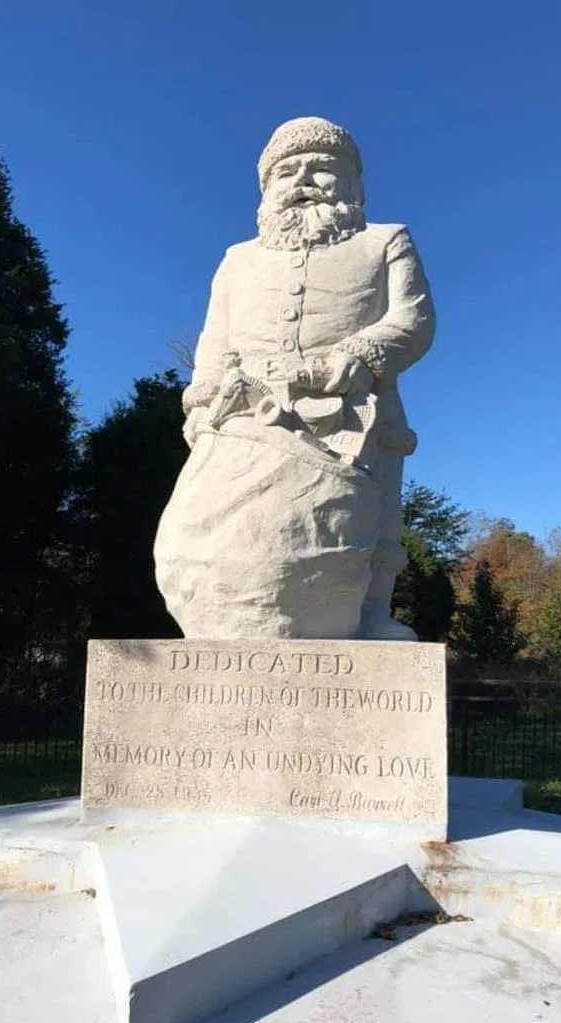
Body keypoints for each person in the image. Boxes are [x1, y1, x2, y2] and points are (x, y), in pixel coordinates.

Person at [156, 117, 435, 639]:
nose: (303, 179)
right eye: (287, 171)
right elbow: (216, 341)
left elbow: (413, 320)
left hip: (350, 407)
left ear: (354, 184)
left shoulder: (385, 241)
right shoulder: (237, 260)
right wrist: (202, 399)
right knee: (197, 532)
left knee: (365, 522)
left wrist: (360, 353)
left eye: (323, 167)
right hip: (244, 414)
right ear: (267, 188)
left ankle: (369, 617)